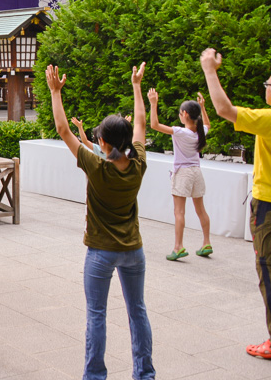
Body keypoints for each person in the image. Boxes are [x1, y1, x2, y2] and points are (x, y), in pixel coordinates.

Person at [47, 62, 154, 380]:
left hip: (101, 252)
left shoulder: (96, 166)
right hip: (134, 251)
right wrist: (137, 87)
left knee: (97, 315)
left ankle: (95, 376)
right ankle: (144, 374)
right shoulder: (138, 165)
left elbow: (63, 130)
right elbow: (142, 126)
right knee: (138, 311)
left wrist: (55, 93)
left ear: (105, 144)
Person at [200, 48, 271, 360]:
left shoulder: (268, 120)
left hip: (267, 206)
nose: (265, 87)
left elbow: (225, 110)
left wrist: (209, 70)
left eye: (268, 84)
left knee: (267, 270)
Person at [148, 88, 213, 261]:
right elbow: (208, 125)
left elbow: (154, 125)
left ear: (184, 114)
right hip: (196, 173)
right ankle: (206, 242)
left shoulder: (181, 132)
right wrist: (203, 107)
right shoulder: (200, 132)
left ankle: (178, 247)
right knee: (201, 210)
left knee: (179, 212)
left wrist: (153, 103)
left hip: (182, 174)